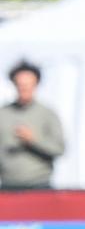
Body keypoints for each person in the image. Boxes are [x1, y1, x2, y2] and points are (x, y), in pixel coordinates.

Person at [0, 60, 65, 189]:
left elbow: (59, 149)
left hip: (39, 185)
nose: (24, 88)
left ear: (36, 84)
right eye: (20, 84)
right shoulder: (3, 114)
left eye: (28, 84)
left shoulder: (47, 114)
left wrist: (33, 140)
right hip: (8, 185)